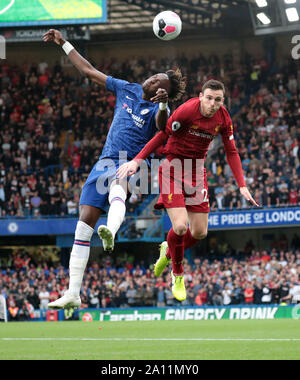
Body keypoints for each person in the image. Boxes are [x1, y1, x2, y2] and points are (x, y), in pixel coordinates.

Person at [43, 29, 186, 309]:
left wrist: (165, 104)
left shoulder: (160, 111)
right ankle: (73, 292)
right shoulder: (127, 88)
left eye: (161, 83)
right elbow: (88, 71)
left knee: (119, 186)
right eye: (155, 76)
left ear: (165, 94)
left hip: (129, 162)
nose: (154, 79)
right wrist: (64, 43)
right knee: (83, 227)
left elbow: (161, 126)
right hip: (103, 161)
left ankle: (111, 229)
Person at [117, 79, 259, 301]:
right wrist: (136, 161)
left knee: (200, 232)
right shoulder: (186, 111)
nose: (213, 103)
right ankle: (178, 274)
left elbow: (231, 151)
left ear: (223, 101)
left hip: (196, 172)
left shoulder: (223, 118)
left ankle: (168, 249)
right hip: (172, 167)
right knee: (181, 227)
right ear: (201, 96)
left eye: (218, 100)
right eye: (209, 98)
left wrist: (242, 185)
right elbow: (162, 135)